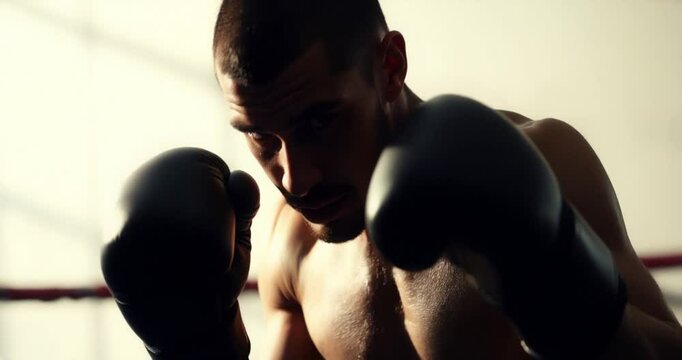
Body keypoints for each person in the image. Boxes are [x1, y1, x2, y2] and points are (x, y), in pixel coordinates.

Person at [102, 0, 682, 358]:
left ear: (389, 65)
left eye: (319, 121)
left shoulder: (544, 161)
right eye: (260, 136)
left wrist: (571, 297)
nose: (295, 178)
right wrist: (199, 346)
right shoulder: (293, 248)